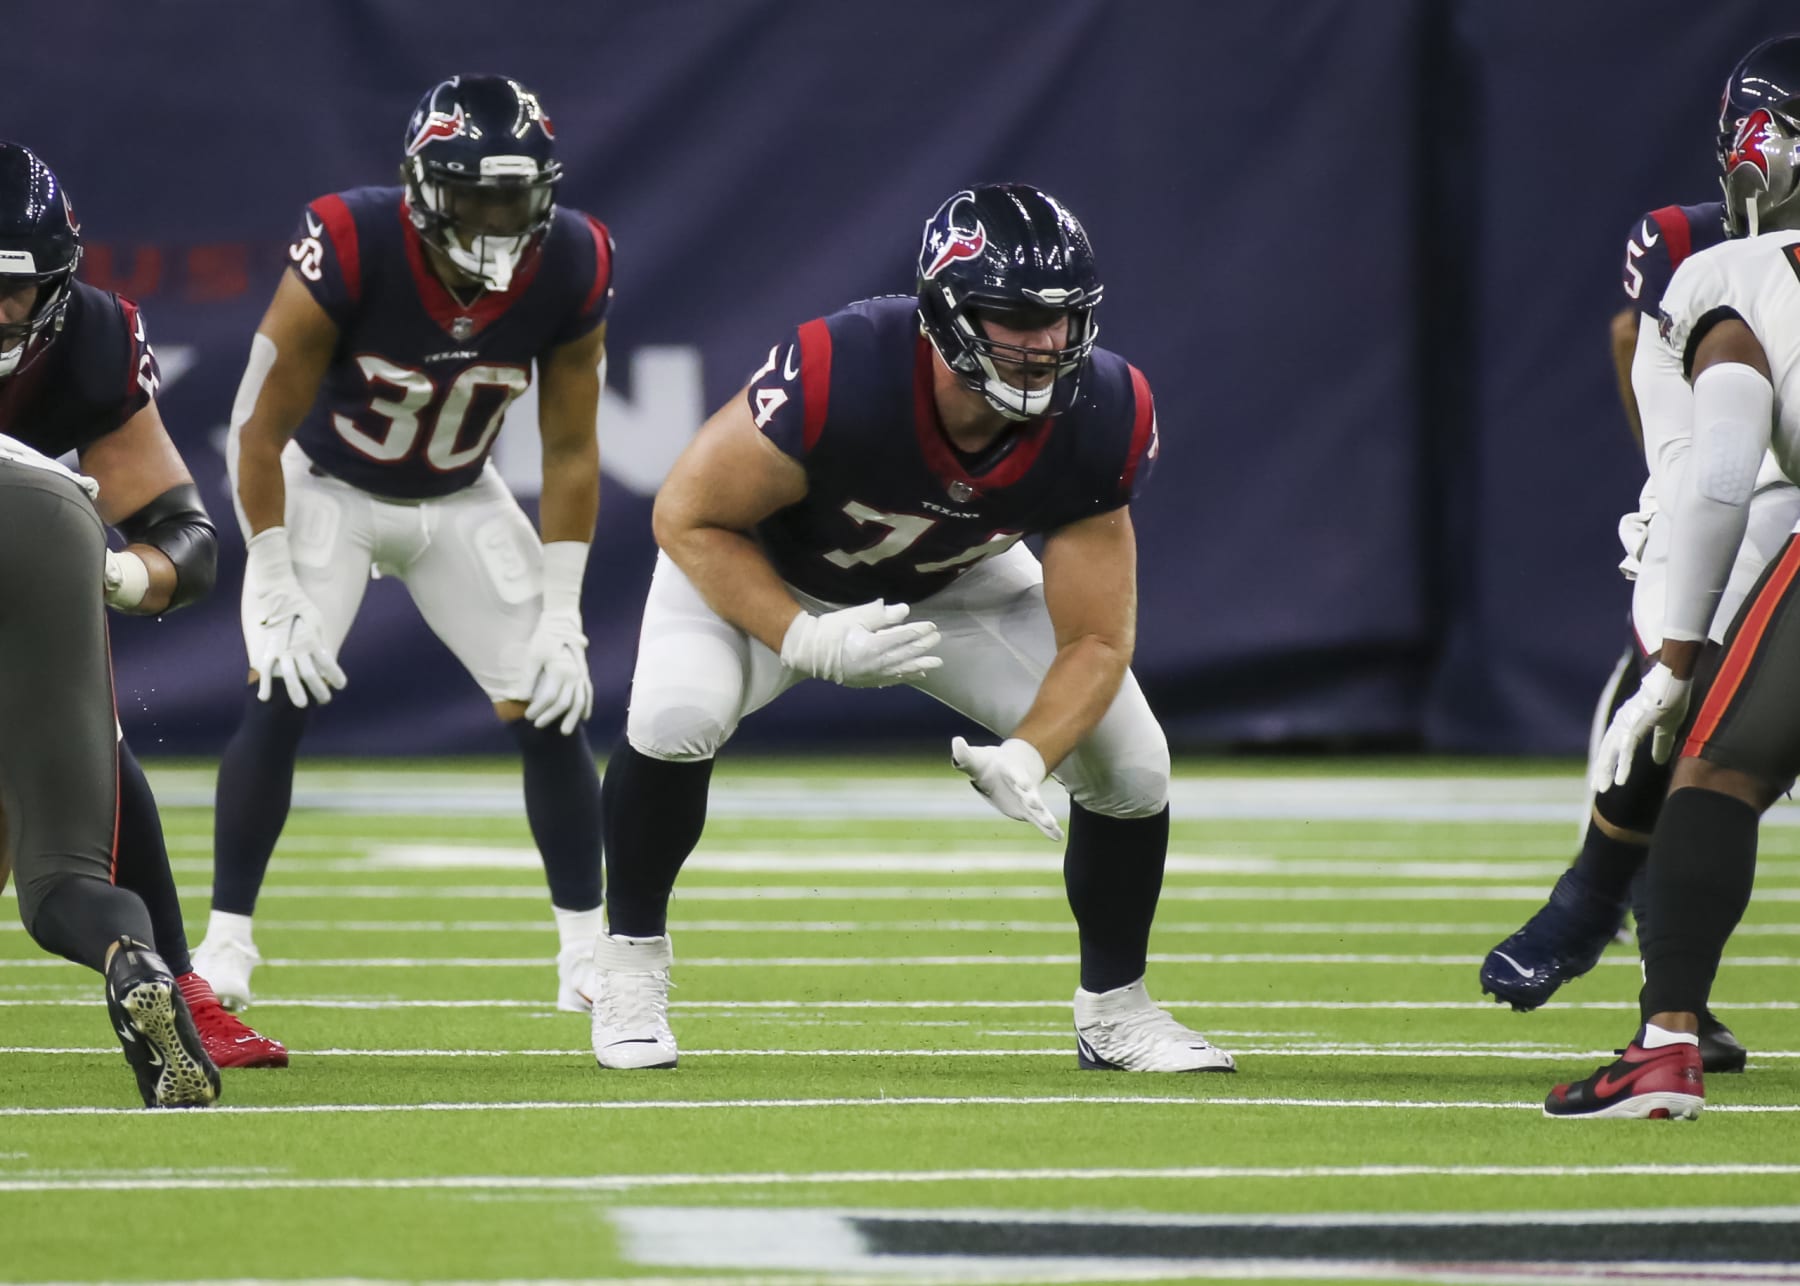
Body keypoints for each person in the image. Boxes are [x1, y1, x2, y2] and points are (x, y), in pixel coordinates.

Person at [588, 183, 1233, 1075]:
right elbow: (689, 516)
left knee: (1132, 763)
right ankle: (627, 967)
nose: (1045, 343)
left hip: (956, 583)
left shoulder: (1104, 411)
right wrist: (803, 637)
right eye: (1013, 315)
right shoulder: (844, 366)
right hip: (765, 570)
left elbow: (1097, 641)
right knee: (673, 716)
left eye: (1063, 317)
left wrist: (1027, 755)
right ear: (945, 309)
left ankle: (1116, 1011)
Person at [190, 75, 614, 1014]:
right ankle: (224, 945)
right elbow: (255, 429)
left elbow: (573, 447)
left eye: (517, 196)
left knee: (548, 707)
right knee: (282, 689)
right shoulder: (351, 240)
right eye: (475, 195)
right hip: (327, 487)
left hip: (461, 495)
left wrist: (564, 609)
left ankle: (589, 956)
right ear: (424, 188)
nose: (499, 219)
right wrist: (269, 571)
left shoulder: (575, 257)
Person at [1479, 35, 1800, 1076]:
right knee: (1703, 724)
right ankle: (1646, 960)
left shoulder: (1727, 269)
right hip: (1745, 492)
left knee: (1703, 729)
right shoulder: (1692, 252)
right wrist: (1667, 487)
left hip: (1750, 494)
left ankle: (1652, 994)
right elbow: (1680, 415)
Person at [0, 140, 286, 1071]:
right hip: (39, 527)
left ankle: (181, 989)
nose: (1, 312)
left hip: (35, 546)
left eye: (17, 289)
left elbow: (184, 534)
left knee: (90, 744)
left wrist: (126, 574)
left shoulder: (85, 340)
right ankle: (150, 967)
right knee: (63, 839)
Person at [0, 432, 219, 1108]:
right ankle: (129, 954)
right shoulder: (91, 337)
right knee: (65, 874)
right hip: (49, 507)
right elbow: (192, 544)